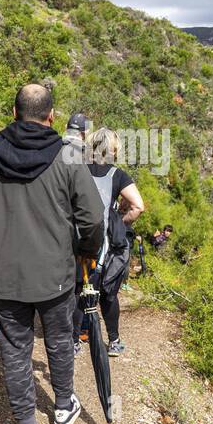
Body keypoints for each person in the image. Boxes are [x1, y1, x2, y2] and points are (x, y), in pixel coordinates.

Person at [0, 84, 105, 424]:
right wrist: (85, 252)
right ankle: (64, 406)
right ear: (51, 116)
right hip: (55, 274)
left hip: (4, 275)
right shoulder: (69, 156)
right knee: (58, 339)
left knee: (15, 351)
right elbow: (94, 218)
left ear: (14, 111)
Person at [72, 127, 144, 357]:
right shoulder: (118, 175)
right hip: (103, 243)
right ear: (113, 149)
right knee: (108, 292)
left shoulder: (77, 169)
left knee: (77, 289)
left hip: (76, 238)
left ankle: (74, 340)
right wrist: (119, 224)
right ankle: (113, 341)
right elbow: (138, 206)